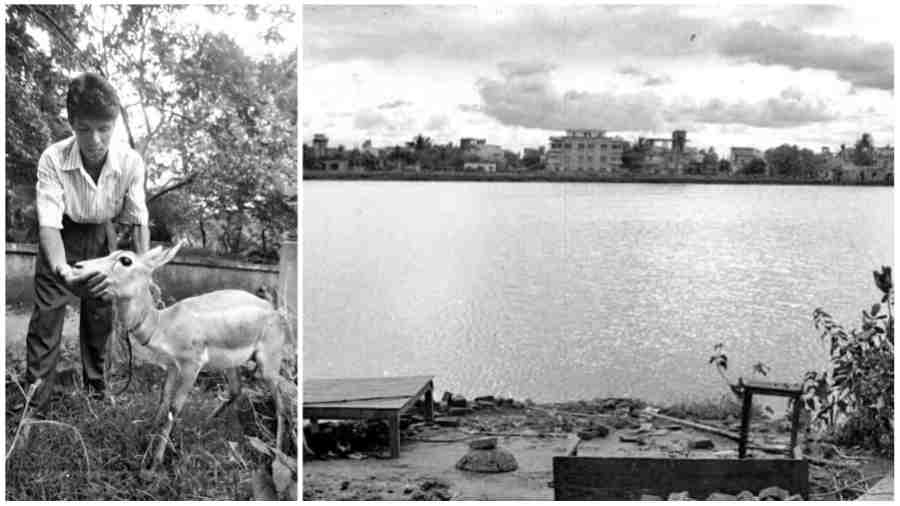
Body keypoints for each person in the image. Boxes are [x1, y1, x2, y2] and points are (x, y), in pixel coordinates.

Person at [25, 72, 150, 416]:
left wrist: (141, 271)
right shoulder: (52, 158)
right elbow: (48, 223)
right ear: (72, 124)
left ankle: (97, 395)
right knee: (46, 321)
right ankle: (34, 405)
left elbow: (138, 220)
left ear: (115, 125)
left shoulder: (131, 162)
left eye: (104, 129)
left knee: (99, 320)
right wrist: (62, 268)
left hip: (102, 238)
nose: (94, 139)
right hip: (61, 236)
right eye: (84, 129)